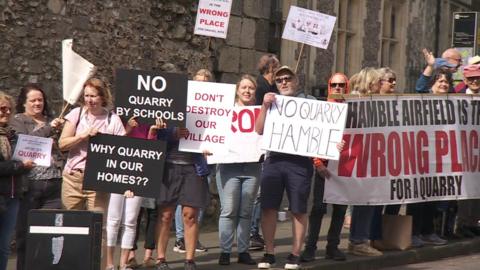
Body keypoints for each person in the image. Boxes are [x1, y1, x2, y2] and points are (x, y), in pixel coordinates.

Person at [59, 77, 126, 269]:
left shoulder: (113, 120)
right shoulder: (76, 114)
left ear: (102, 97)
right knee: (70, 225)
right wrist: (82, 135)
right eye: (86, 96)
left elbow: (122, 152)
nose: (89, 100)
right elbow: (62, 144)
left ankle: (98, 266)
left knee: (98, 228)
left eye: (93, 96)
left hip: (98, 181)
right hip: (73, 178)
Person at [255, 66, 315, 270]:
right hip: (274, 160)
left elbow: (323, 131)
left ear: (296, 80)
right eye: (279, 79)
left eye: (287, 78)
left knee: (298, 208)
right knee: (268, 207)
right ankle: (269, 252)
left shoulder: (310, 102)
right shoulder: (270, 101)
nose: (283, 82)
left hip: (299, 162)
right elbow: (259, 129)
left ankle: (295, 253)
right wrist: (264, 106)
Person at [10, 84, 65, 270]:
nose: (37, 103)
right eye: (32, 100)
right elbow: (26, 143)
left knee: (50, 234)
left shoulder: (52, 120)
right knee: (25, 235)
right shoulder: (18, 121)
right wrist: (49, 128)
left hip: (54, 184)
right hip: (29, 185)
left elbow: (62, 147)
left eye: (40, 100)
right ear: (24, 103)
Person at [154, 96, 210, 270]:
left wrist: (212, 147)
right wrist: (173, 133)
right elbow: (156, 135)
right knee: (165, 215)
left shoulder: (211, 110)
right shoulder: (169, 105)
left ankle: (189, 260)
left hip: (194, 168)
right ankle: (161, 259)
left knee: (190, 215)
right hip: (169, 166)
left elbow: (217, 135)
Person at [300, 73, 350, 262]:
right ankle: (310, 247)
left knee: (339, 209)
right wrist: (318, 162)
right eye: (334, 84)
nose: (337, 88)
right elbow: (314, 137)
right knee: (319, 208)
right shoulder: (321, 109)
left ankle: (332, 247)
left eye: (341, 85)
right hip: (324, 167)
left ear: (347, 87)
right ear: (329, 86)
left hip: (345, 167)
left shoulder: (352, 109)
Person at [105, 117, 165, 270]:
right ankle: (110, 264)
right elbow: (108, 143)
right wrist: (127, 130)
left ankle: (124, 263)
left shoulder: (150, 118)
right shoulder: (117, 117)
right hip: (117, 171)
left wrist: (152, 132)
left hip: (138, 173)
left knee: (130, 220)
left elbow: (151, 151)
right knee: (113, 220)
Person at [217, 75, 261, 266]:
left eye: (251, 88)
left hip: (252, 166)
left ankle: (243, 251)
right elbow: (213, 131)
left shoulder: (261, 112)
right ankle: (225, 251)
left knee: (246, 211)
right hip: (229, 166)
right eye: (243, 87)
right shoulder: (225, 111)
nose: (247, 91)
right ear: (237, 90)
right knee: (228, 210)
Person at [408, 70, 451, 247]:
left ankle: (428, 232)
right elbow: (419, 87)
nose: (443, 84)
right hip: (420, 155)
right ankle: (414, 232)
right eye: (440, 81)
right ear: (432, 84)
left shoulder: (453, 102)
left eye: (446, 82)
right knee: (418, 196)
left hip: (440, 156)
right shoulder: (425, 97)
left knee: (433, 196)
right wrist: (430, 67)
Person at [173, 69, 212, 254]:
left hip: (204, 160)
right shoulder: (183, 102)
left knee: (197, 204)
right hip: (185, 160)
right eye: (198, 81)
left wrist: (213, 145)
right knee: (183, 203)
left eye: (205, 82)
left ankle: (192, 240)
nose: (201, 85)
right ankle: (181, 238)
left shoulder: (215, 106)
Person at [347, 67, 384, 257]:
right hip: (358, 159)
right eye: (379, 83)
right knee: (363, 200)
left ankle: (360, 239)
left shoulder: (372, 101)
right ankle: (358, 240)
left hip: (370, 158)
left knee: (368, 200)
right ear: (370, 84)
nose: (381, 86)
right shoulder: (354, 102)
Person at [0, 91, 34, 270]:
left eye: (8, 109)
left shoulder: (13, 136)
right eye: (1, 109)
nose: (5, 112)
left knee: (4, 247)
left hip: (13, 196)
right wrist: (21, 166)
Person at [454, 63, 480, 237]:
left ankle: (473, 222)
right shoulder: (456, 98)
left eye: (477, 77)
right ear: (465, 80)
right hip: (463, 151)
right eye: (471, 78)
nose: (475, 81)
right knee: (465, 189)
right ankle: (462, 224)